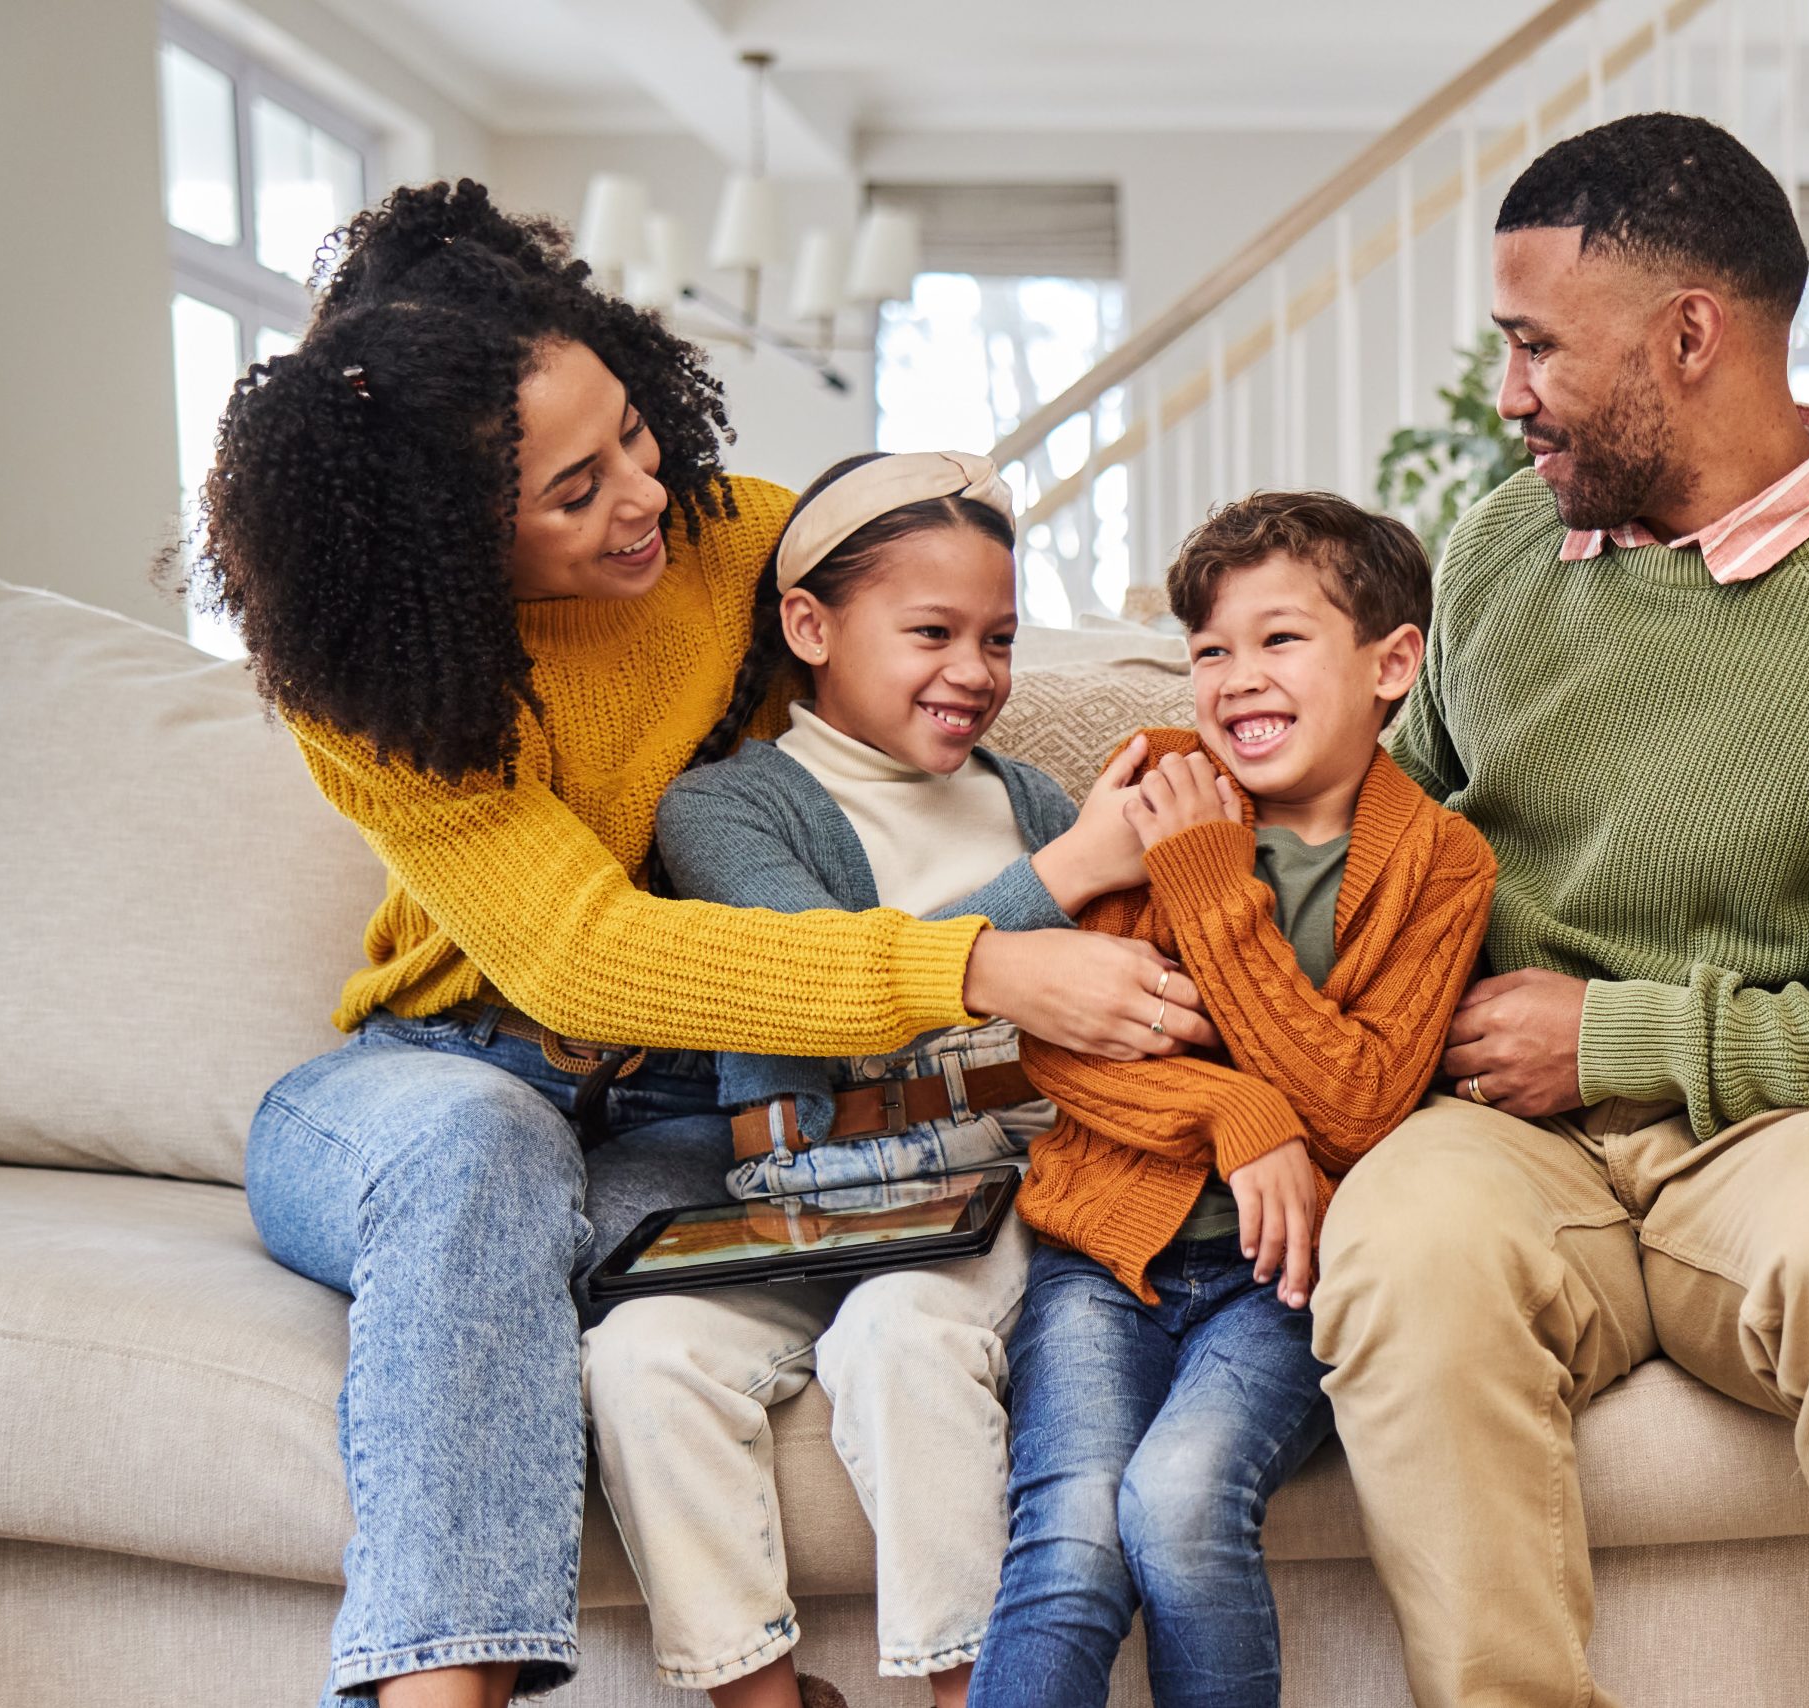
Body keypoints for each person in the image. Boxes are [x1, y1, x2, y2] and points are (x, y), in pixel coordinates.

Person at [189, 180, 1212, 1708]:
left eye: (635, 436)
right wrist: (981, 966)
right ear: (438, 538)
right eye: (574, 488)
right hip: (437, 1077)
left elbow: (886, 655)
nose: (644, 496)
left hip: (681, 1121)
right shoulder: (372, 675)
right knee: (481, 1160)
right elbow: (583, 958)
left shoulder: (740, 549)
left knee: (732, 1275)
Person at [1310, 114, 1809, 1708]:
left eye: (1534, 347)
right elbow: (1404, 827)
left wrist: (1623, 1034)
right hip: (1505, 1133)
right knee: (1400, 1248)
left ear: (1690, 336)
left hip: (1770, 1141)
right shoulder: (1504, 547)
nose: (1506, 395)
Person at [580, 449, 1162, 1708]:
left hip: (994, 1195)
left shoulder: (1037, 797)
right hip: (800, 1199)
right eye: (932, 632)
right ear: (811, 625)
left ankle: (966, 1690)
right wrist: (1060, 883)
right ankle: (764, 1699)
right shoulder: (723, 811)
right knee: (637, 1355)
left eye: (999, 638)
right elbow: (828, 991)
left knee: (901, 1334)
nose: (976, 673)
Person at [967, 493, 1498, 1708]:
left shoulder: (1443, 865)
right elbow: (1070, 1043)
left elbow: (1361, 1105)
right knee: (1071, 1546)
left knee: (1179, 1500)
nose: (1236, 677)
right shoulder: (1159, 785)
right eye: (1210, 648)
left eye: (1278, 639)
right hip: (1101, 1255)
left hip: (1293, 1277)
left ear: (1391, 663)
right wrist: (1233, 1113)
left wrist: (1210, 889)